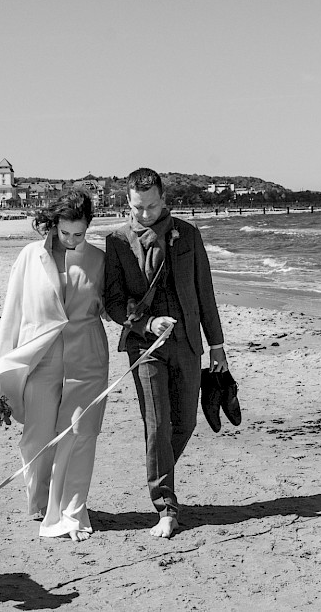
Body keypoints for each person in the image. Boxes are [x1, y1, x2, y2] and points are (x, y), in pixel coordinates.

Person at [0, 190, 108, 542]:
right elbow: (11, 314)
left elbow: (109, 308)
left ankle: (71, 512)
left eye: (81, 234)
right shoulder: (30, 257)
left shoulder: (99, 260)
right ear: (53, 224)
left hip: (87, 357)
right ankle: (41, 500)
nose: (74, 241)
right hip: (39, 359)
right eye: (66, 233)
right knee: (38, 436)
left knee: (79, 434)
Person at [104, 167, 228, 539]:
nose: (146, 214)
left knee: (185, 423)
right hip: (146, 348)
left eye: (152, 206)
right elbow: (113, 301)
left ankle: (158, 471)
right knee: (157, 427)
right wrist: (146, 323)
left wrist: (217, 346)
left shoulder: (188, 234)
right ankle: (166, 507)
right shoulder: (117, 241)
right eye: (139, 207)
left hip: (189, 342)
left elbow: (205, 290)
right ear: (127, 201)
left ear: (164, 199)